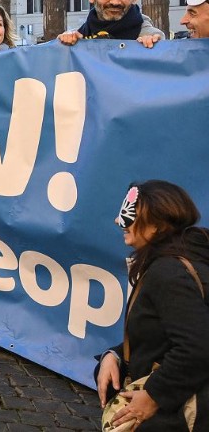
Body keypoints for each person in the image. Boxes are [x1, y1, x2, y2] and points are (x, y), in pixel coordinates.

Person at [94, 180, 209, 430]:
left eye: (129, 215)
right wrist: (113, 356)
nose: (118, 221)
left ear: (157, 225)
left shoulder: (169, 272)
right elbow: (163, 336)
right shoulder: (176, 263)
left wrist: (153, 397)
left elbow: (197, 347)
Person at [59, 0, 163, 48]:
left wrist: (155, 47)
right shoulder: (77, 35)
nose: (115, 2)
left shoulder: (149, 37)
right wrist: (64, 43)